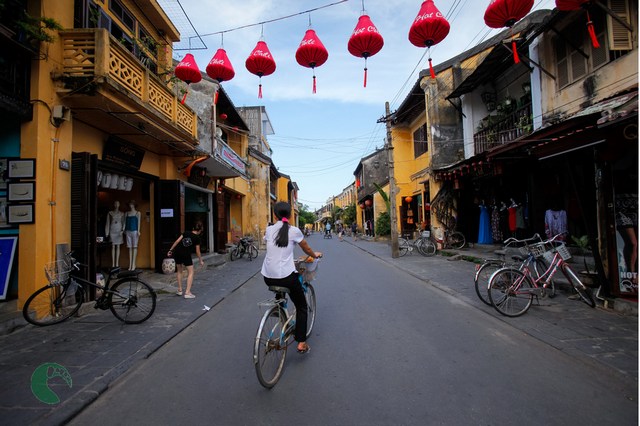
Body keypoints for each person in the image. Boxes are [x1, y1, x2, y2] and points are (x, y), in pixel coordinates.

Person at [262, 202, 321, 354]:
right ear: (289, 215)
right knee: (301, 306)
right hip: (286, 277)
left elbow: (272, 246)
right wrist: (314, 255)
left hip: (268, 277)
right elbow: (306, 247)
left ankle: (280, 308)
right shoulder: (294, 231)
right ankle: (301, 342)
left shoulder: (269, 230)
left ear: (275, 215)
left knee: (282, 290)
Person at [167, 222, 204, 299]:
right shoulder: (197, 238)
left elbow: (177, 241)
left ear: (193, 228)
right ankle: (187, 292)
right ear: (200, 230)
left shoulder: (186, 232)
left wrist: (170, 250)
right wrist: (200, 260)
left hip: (177, 252)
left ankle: (180, 290)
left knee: (179, 271)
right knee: (191, 272)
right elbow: (198, 251)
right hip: (186, 254)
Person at [106, 201, 125, 267]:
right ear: (114, 204)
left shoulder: (122, 213)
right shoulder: (110, 213)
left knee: (118, 246)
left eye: (118, 203)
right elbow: (108, 222)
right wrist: (107, 232)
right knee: (113, 246)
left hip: (119, 231)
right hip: (112, 230)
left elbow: (123, 223)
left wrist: (122, 230)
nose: (116, 205)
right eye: (115, 203)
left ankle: (117, 264)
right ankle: (113, 264)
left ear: (119, 205)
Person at [124, 200, 141, 270]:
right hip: (128, 231)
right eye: (130, 204)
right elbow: (124, 222)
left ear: (134, 205)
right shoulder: (127, 213)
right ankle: (130, 264)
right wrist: (123, 229)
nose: (130, 205)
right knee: (130, 248)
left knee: (134, 247)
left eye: (131, 204)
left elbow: (139, 222)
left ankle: (133, 264)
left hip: (135, 231)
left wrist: (138, 231)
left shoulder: (138, 213)